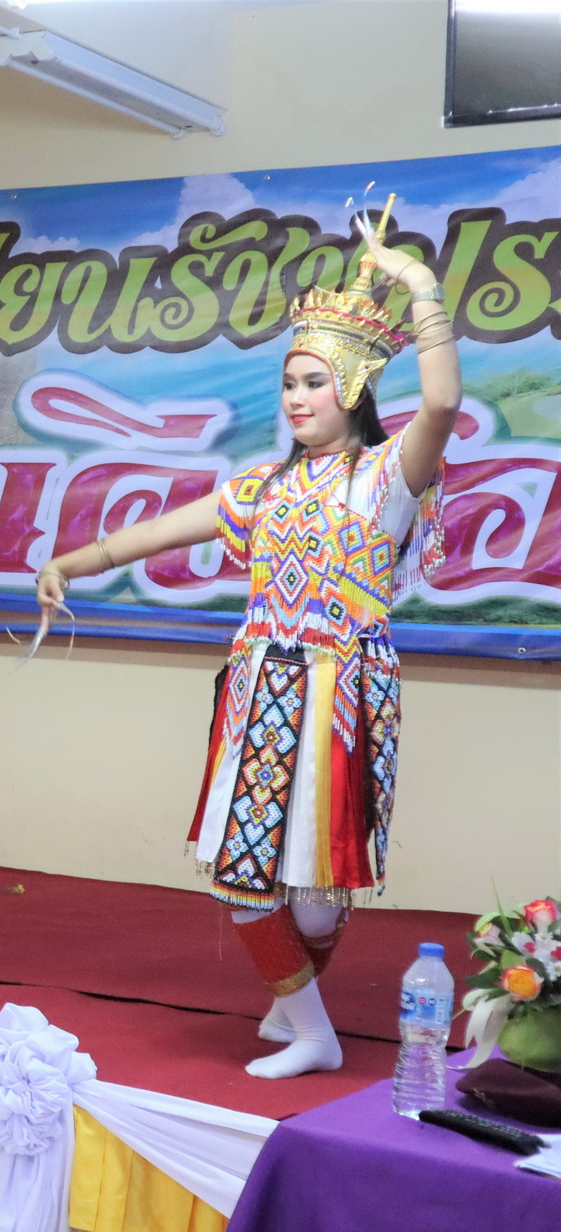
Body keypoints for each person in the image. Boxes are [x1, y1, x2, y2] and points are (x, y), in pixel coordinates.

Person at [35, 214, 459, 1079]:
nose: (296, 397)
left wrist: (419, 285)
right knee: (242, 873)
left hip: (343, 694)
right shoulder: (262, 486)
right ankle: (310, 1027)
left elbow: (443, 403)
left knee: (317, 892)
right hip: (262, 693)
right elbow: (157, 531)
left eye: (314, 381)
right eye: (288, 383)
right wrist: (68, 563)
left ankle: (297, 1003)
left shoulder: (385, 477)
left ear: (353, 384)